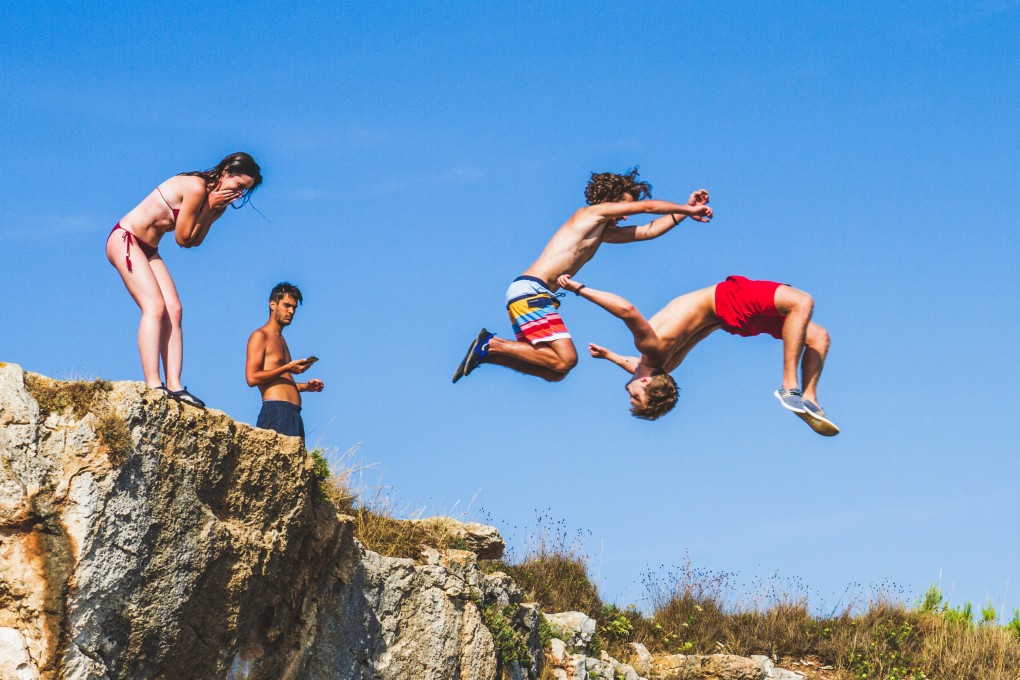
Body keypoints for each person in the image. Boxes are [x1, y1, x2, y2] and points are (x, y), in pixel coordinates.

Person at [452, 169, 712, 383]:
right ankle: (491, 344)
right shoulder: (588, 214)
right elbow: (647, 208)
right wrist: (687, 209)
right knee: (568, 359)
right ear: (609, 200)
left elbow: (648, 230)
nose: (625, 215)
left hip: (537, 295)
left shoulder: (602, 233)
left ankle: (487, 354)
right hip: (530, 291)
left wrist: (683, 212)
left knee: (557, 372)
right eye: (625, 206)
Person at [556, 273, 839, 436]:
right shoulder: (651, 349)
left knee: (818, 337)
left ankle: (810, 400)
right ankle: (790, 387)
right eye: (635, 397)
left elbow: (636, 367)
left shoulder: (664, 364)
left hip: (731, 321)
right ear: (646, 384)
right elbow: (627, 311)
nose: (628, 394)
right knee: (802, 302)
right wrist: (579, 288)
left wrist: (610, 356)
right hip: (728, 300)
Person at [106, 152, 263, 408]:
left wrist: (212, 209)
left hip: (148, 248)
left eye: (245, 191)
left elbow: (193, 242)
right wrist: (210, 204)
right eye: (239, 186)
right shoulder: (196, 186)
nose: (239, 194)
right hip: (125, 238)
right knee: (155, 306)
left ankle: (176, 386)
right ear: (226, 173)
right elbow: (181, 237)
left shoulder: (215, 203)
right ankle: (153, 383)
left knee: (175, 310)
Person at [245, 282, 324, 439]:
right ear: (273, 304)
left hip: (293, 414)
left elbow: (278, 381)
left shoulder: (281, 339)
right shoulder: (260, 336)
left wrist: (306, 387)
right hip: (276, 412)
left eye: (294, 308)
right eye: (287, 305)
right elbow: (252, 378)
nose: (291, 311)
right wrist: (287, 367)